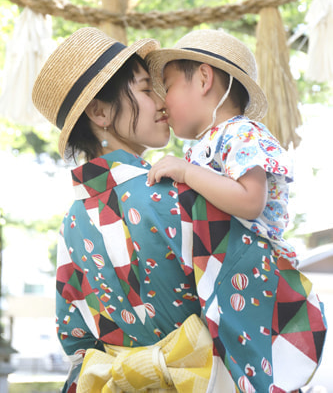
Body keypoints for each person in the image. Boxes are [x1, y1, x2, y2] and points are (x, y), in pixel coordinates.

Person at [32, 27, 326, 393]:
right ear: (100, 111)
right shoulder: (178, 193)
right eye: (144, 89)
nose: (160, 101)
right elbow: (251, 291)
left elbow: (74, 336)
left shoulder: (70, 225)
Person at [147, 28, 296, 260]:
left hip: (261, 271)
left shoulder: (241, 132)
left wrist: (186, 172)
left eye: (167, 88)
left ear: (204, 79)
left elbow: (250, 201)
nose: (162, 101)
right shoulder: (211, 143)